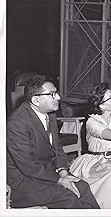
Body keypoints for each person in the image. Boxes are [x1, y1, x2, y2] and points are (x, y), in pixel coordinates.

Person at [6, 74, 99, 209]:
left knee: (83, 187)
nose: (59, 98)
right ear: (36, 100)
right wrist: (59, 180)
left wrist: (63, 172)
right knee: (67, 197)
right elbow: (29, 166)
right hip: (23, 181)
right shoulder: (17, 123)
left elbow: (57, 149)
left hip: (47, 173)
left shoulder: (50, 114)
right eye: (52, 94)